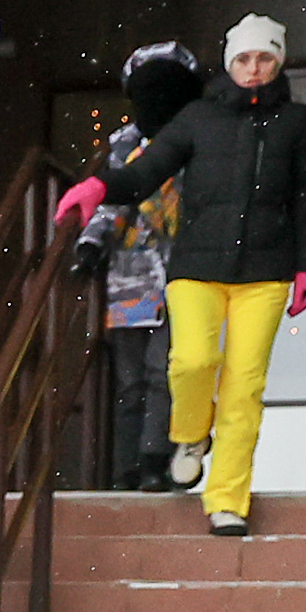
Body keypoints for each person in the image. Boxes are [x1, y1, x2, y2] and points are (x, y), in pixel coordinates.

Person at [56, 14, 306, 538]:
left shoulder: (298, 122)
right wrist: (98, 187)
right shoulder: (197, 118)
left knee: (244, 387)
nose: (254, 69)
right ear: (230, 63)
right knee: (190, 362)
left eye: (265, 58)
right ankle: (189, 434)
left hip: (266, 271)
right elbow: (143, 171)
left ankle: (227, 497)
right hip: (196, 266)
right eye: (244, 59)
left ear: (279, 62)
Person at [74, 41, 203, 489]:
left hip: (185, 273)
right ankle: (126, 466)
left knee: (163, 370)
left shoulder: (198, 143)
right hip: (129, 275)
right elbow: (110, 200)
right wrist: (89, 243)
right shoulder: (123, 147)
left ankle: (154, 459)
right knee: (130, 378)